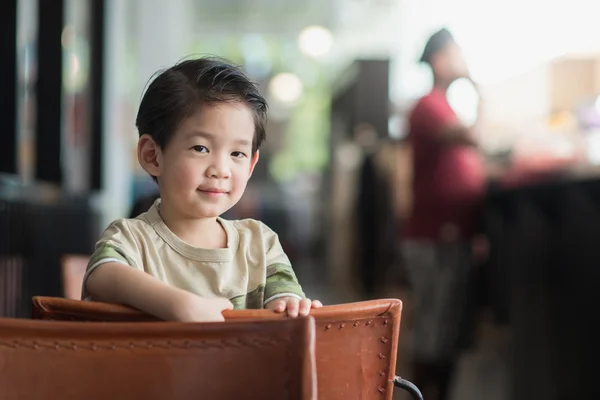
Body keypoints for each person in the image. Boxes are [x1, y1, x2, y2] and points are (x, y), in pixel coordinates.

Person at [83, 57, 322, 322]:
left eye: (237, 153)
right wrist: (180, 305)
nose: (221, 169)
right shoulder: (131, 239)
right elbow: (101, 275)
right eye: (201, 148)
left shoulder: (260, 244)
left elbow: (285, 301)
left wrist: (290, 305)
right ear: (152, 156)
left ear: (252, 165)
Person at [401, 28, 487, 400]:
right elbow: (473, 138)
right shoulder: (429, 106)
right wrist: (479, 91)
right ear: (439, 58)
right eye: (456, 52)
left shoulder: (442, 106)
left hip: (449, 233)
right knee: (437, 326)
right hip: (436, 233)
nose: (461, 59)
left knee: (448, 326)